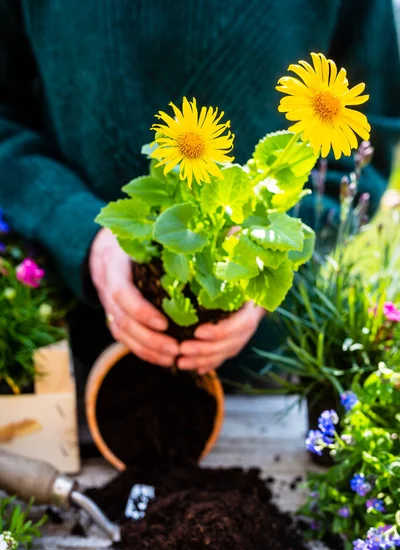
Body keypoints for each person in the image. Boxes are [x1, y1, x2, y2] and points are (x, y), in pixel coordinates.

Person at [0, 0, 399, 391]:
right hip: (58, 357)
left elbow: (368, 137)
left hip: (265, 372)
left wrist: (268, 261)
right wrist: (79, 232)